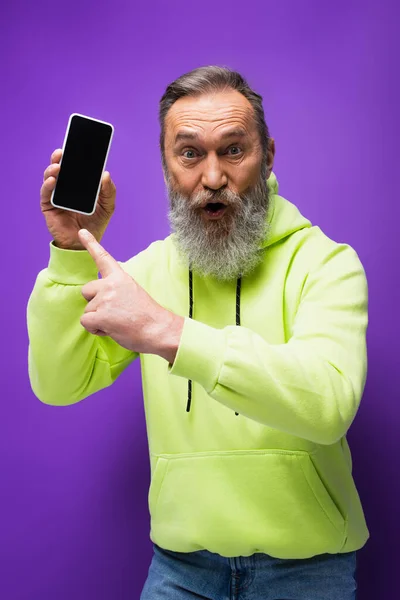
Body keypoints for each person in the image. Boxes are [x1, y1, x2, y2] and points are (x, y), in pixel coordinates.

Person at [27, 66, 369, 600]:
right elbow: (59, 383)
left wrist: (169, 333)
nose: (212, 177)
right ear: (167, 167)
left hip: (308, 572)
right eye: (189, 154)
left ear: (269, 155)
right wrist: (71, 254)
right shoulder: (144, 275)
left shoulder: (325, 265)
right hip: (180, 571)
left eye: (233, 150)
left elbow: (328, 405)